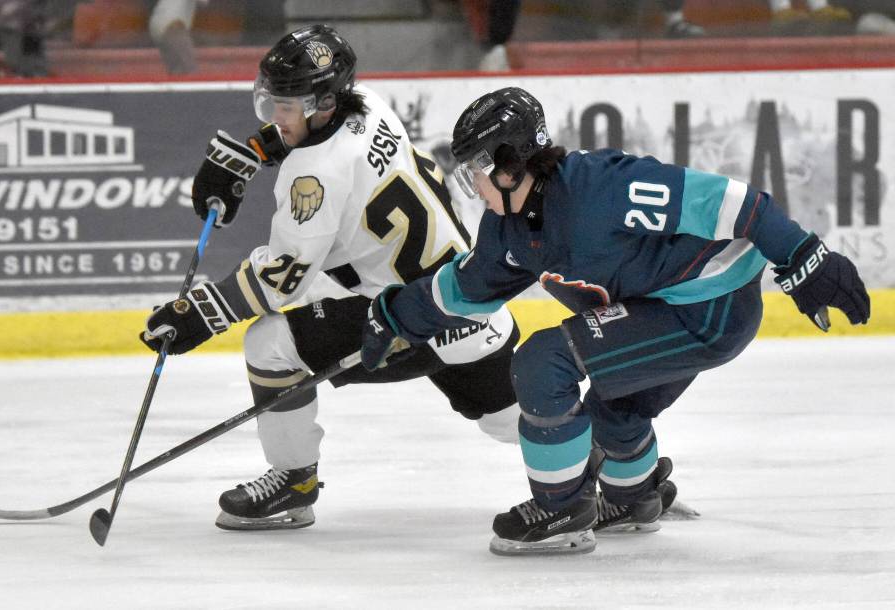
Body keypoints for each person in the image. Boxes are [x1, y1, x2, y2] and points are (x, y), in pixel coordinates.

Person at [360, 87, 870, 555]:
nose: (470, 181)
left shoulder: (603, 189)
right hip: (654, 312)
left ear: (509, 164)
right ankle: (634, 497)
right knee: (615, 408)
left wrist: (804, 255)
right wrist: (395, 314)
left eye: (475, 166)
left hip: (710, 309)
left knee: (544, 361)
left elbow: (739, 203)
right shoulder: (507, 229)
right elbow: (464, 288)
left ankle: (562, 508)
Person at [139, 25, 522, 531]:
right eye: (273, 102)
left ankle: (293, 482)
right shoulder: (368, 101)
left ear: (322, 103)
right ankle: (631, 473)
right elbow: (319, 144)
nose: (277, 116)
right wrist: (254, 151)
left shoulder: (311, 178)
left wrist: (204, 312)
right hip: (467, 301)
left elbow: (282, 280)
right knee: (514, 420)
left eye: (287, 105)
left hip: (401, 318)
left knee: (269, 344)